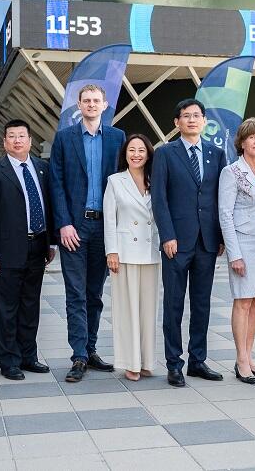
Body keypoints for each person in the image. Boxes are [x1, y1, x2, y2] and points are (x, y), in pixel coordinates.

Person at [49, 84, 126, 382]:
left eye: (96, 101)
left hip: (105, 227)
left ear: (105, 105)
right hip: (74, 227)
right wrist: (64, 223)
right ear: (79, 105)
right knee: (76, 293)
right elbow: (56, 183)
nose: (91, 105)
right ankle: (78, 355)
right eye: (86, 101)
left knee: (95, 293)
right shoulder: (64, 138)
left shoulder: (118, 138)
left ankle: (91, 349)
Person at [151, 98, 226, 387]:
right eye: (186, 116)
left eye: (196, 115)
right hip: (176, 242)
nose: (192, 120)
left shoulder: (216, 154)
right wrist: (167, 235)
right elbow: (159, 198)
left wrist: (220, 237)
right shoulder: (165, 153)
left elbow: (220, 198)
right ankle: (174, 363)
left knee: (202, 304)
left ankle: (197, 360)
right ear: (177, 122)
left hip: (207, 241)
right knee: (173, 304)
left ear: (204, 121)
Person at [0, 119, 57, 381]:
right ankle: (9, 360)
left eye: (21, 136)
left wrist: (52, 242)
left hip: (38, 245)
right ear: (4, 142)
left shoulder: (43, 168)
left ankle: (28, 356)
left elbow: (49, 206)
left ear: (30, 141)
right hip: (7, 250)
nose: (17, 140)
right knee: (7, 307)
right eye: (11, 136)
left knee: (30, 305)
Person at [219, 118, 255, 384]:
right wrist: (235, 254)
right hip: (242, 242)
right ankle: (241, 359)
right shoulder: (231, 172)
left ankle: (250, 356)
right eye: (252, 137)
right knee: (243, 301)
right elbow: (225, 215)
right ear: (242, 142)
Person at [103, 134, 159, 381]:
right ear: (124, 154)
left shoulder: (155, 179)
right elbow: (109, 219)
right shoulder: (115, 181)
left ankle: (146, 361)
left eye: (141, 150)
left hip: (151, 251)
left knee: (148, 310)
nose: (136, 155)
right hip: (124, 252)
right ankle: (130, 362)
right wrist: (111, 251)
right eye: (131, 150)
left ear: (148, 154)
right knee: (127, 310)